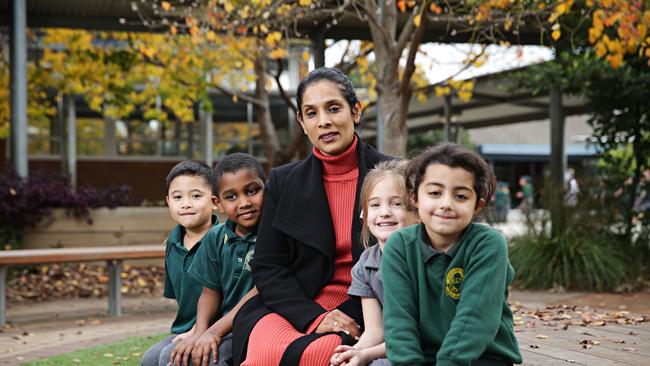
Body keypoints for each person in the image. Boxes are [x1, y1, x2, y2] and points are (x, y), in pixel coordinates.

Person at [232, 67, 391, 365]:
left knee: (324, 355)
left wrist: (341, 318)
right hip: (297, 306)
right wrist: (314, 317)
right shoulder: (283, 181)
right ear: (302, 123)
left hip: (367, 308)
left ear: (355, 111)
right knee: (264, 350)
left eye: (333, 108)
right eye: (312, 113)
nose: (325, 121)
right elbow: (268, 266)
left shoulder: (392, 174)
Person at [382, 143, 522, 365]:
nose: (446, 204)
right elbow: (399, 320)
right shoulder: (399, 245)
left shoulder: (488, 244)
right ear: (415, 198)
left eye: (461, 196)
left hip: (482, 357)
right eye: (435, 193)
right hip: (422, 356)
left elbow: (476, 318)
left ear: (477, 205)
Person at [169, 153, 265, 366]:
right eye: (231, 197)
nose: (244, 202)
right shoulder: (216, 236)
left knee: (208, 360)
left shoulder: (272, 235)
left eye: (252, 191)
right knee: (162, 358)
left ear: (266, 189)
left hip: (253, 326)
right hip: (219, 324)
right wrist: (199, 333)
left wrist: (213, 332)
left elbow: (261, 291)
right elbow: (209, 292)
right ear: (218, 203)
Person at [330, 160, 418, 366]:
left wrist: (367, 355)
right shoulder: (365, 264)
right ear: (364, 213)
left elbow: (422, 336)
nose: (384, 212)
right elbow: (375, 330)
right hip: (392, 348)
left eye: (397, 204)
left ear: (417, 211)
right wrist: (352, 352)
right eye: (375, 205)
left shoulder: (425, 261)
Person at [141, 160, 218, 366]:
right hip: (184, 329)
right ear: (168, 202)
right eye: (178, 197)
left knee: (172, 357)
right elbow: (179, 296)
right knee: (149, 359)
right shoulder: (172, 244)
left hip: (218, 329)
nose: (186, 203)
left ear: (214, 200)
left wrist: (200, 330)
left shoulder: (224, 241)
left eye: (196, 196)